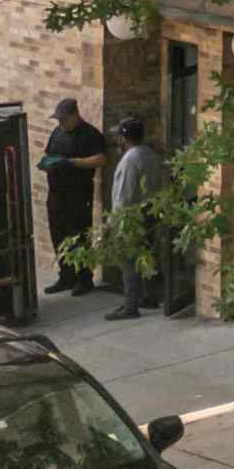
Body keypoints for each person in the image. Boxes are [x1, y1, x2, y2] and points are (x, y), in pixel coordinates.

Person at [36, 96, 107, 296]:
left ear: (75, 115)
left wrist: (72, 162)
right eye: (59, 120)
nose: (61, 123)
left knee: (78, 236)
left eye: (64, 119)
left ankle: (84, 278)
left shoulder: (90, 134)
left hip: (78, 195)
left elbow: (101, 159)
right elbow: (49, 152)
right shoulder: (57, 132)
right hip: (57, 194)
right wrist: (48, 163)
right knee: (57, 234)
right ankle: (66, 276)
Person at [102, 115, 161, 321]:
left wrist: (111, 222)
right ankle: (149, 296)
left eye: (119, 136)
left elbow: (124, 196)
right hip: (150, 213)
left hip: (131, 217)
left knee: (128, 260)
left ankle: (130, 305)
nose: (117, 139)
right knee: (146, 256)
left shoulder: (129, 160)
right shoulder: (149, 154)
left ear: (125, 138)